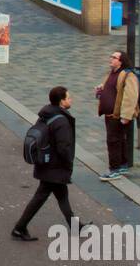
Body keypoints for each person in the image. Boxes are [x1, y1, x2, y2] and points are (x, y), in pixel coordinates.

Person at [12, 86, 85, 241]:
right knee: (41, 197)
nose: (71, 99)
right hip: (55, 167)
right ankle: (19, 227)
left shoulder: (46, 114)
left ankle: (76, 226)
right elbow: (64, 148)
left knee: (61, 196)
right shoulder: (62, 121)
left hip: (46, 163)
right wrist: (68, 164)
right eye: (68, 97)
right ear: (61, 101)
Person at [95, 49, 140, 181]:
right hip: (109, 114)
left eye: (114, 57)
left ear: (121, 61)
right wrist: (101, 88)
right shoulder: (112, 73)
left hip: (117, 115)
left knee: (113, 141)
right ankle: (122, 165)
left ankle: (114, 169)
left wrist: (126, 116)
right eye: (111, 56)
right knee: (119, 140)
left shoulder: (127, 75)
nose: (111, 59)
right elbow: (112, 88)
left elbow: (130, 96)